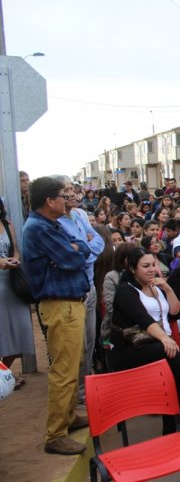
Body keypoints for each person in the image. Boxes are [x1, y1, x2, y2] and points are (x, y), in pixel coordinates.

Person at [22, 177, 92, 455]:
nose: (68, 200)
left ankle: (69, 416)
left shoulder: (50, 225)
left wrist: (77, 248)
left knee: (73, 365)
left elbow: (81, 248)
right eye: (63, 196)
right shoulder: (39, 229)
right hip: (59, 305)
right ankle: (55, 434)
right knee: (64, 371)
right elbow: (73, 258)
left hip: (68, 304)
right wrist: (76, 249)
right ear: (49, 201)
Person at [110, 248, 180, 432]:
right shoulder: (125, 292)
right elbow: (145, 320)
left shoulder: (157, 287)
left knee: (172, 359)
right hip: (130, 348)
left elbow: (175, 313)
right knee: (172, 355)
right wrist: (165, 340)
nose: (152, 269)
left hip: (156, 344)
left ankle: (172, 425)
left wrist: (167, 288)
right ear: (132, 268)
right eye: (146, 266)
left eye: (154, 264)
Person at [55, 178, 105, 404]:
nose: (73, 193)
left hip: (90, 284)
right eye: (66, 191)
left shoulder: (80, 215)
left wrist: (84, 246)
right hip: (74, 291)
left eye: (72, 189)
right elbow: (72, 256)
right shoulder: (54, 223)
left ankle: (86, 388)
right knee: (76, 346)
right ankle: (79, 397)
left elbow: (98, 243)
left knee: (90, 342)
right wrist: (85, 247)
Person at [0, 197, 34, 390]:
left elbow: (16, 250)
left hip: (12, 283)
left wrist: (14, 259)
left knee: (20, 328)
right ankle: (4, 377)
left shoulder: (7, 224)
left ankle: (4, 372)